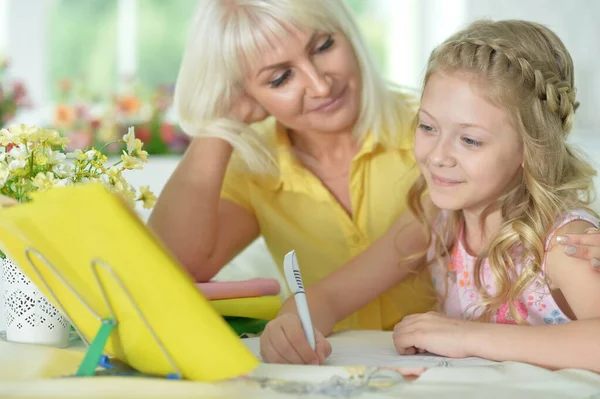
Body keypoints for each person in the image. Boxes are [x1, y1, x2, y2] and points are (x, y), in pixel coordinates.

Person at [259, 19, 600, 373]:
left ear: (532, 149)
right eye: (427, 127)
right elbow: (333, 295)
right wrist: (290, 325)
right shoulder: (435, 217)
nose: (437, 156)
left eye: (470, 140)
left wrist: (467, 336)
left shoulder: (565, 242)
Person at [148, 0, 435, 332]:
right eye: (280, 78)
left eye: (324, 46)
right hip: (329, 371)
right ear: (246, 92)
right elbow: (172, 268)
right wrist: (222, 122)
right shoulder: (255, 168)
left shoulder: (438, 130)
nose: (321, 86)